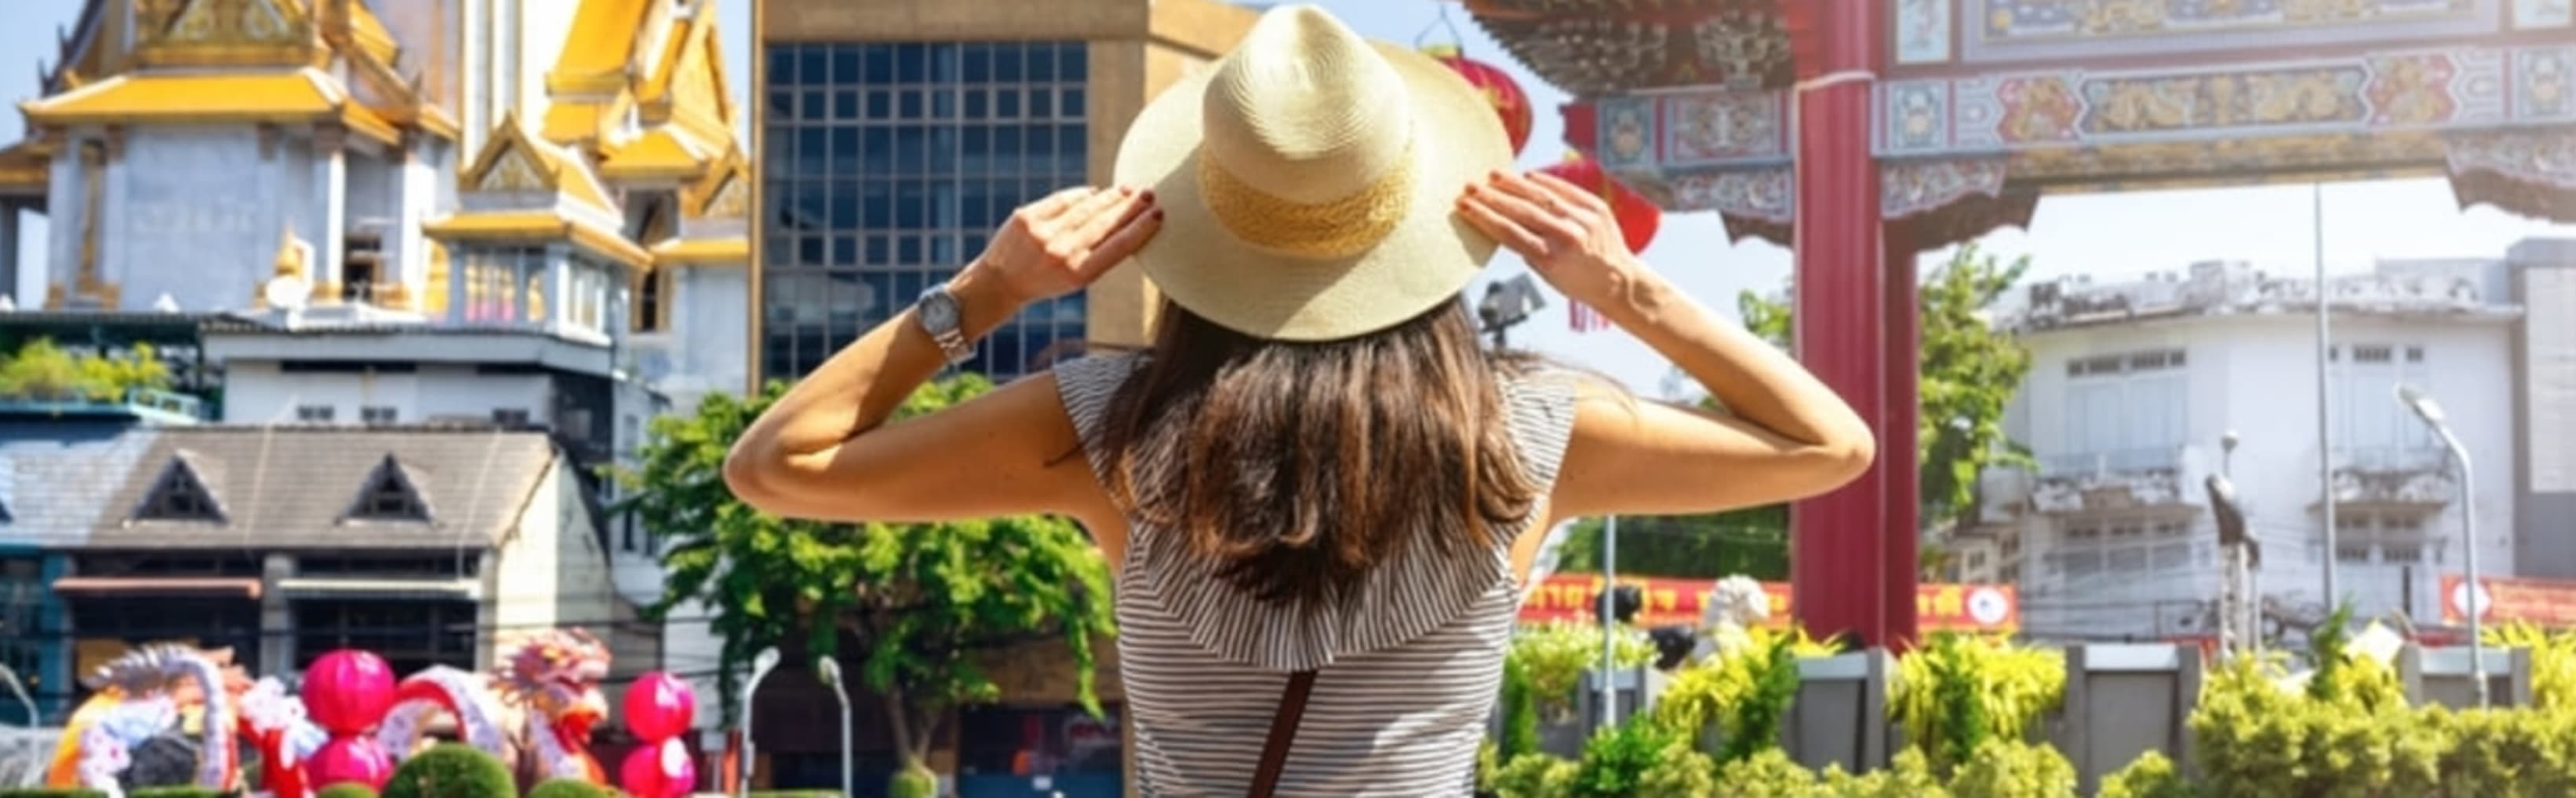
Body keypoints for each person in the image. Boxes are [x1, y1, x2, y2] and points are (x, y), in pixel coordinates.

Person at [723, 5, 1874, 795]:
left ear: (1197, 229)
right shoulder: (1533, 432)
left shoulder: (1106, 429)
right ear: (1422, 228)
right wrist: (1625, 289)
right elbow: (1829, 444)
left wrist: (990, 289)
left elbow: (776, 466)